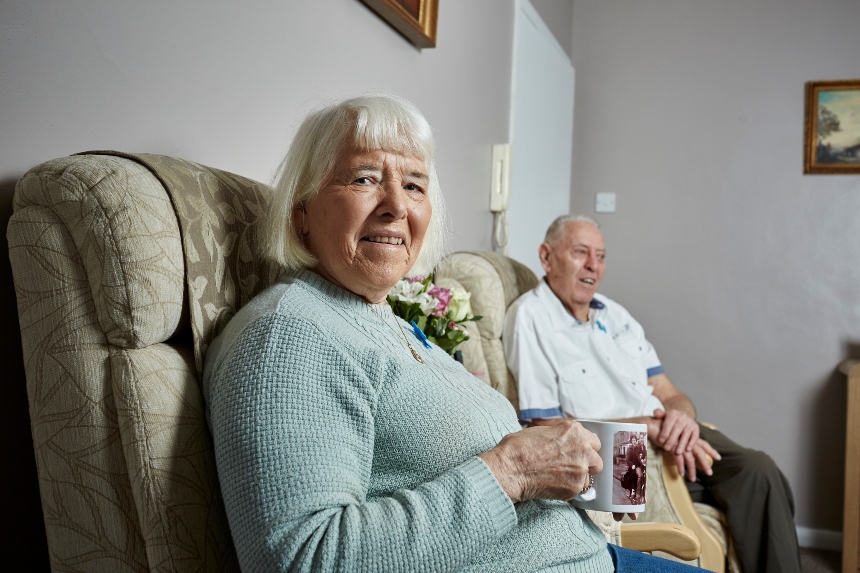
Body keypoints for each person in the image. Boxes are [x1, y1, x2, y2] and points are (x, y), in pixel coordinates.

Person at [202, 95, 709, 572]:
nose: (396, 206)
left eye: (415, 185)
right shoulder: (289, 334)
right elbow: (303, 559)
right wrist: (511, 473)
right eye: (364, 178)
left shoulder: (387, 322)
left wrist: (564, 470)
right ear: (302, 215)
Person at [503, 214, 801, 573]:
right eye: (581, 252)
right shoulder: (531, 317)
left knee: (759, 470)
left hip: (668, 433)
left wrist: (681, 419)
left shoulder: (615, 315)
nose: (593, 266)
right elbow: (546, 425)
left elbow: (671, 393)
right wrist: (647, 426)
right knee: (756, 482)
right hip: (621, 449)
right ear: (547, 257)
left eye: (600, 255)